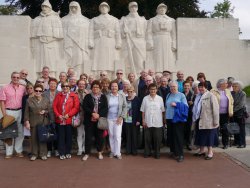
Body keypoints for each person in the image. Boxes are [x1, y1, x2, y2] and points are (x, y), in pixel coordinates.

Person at [31, 0, 63, 77]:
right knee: (40, 61)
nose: (44, 8)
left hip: (52, 43)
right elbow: (33, 35)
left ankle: (52, 77)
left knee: (52, 61)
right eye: (43, 6)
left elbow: (59, 35)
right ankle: (39, 77)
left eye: (46, 6)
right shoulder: (37, 19)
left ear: (49, 8)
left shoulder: (55, 18)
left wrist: (51, 39)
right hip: (40, 43)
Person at [89, 2, 121, 74]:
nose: (104, 8)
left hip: (110, 41)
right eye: (102, 7)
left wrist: (118, 42)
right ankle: (98, 74)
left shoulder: (114, 19)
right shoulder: (94, 20)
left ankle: (111, 74)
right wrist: (90, 42)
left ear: (108, 8)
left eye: (105, 7)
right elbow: (90, 32)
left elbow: (117, 32)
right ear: (100, 9)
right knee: (99, 59)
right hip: (99, 41)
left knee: (110, 59)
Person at [0, 72, 26, 159]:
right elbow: (2, 102)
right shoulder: (5, 88)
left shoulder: (23, 88)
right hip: (9, 111)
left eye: (17, 77)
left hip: (20, 111)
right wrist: (4, 114)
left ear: (19, 78)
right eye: (14, 77)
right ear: (11, 78)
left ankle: (18, 150)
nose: (16, 79)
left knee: (20, 132)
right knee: (8, 132)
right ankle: (9, 152)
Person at [82, 80, 108, 161]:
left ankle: (99, 152)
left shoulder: (103, 97)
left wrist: (98, 115)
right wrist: (92, 113)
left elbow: (105, 108)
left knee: (100, 137)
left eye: (97, 87)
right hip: (89, 120)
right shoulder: (87, 96)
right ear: (91, 88)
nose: (95, 88)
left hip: (99, 120)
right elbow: (85, 107)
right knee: (88, 137)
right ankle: (87, 153)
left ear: (100, 88)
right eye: (94, 87)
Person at [53, 82, 80, 160]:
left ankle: (68, 152)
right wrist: (59, 115)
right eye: (63, 86)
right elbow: (54, 106)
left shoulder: (73, 95)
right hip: (60, 120)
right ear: (61, 87)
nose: (65, 87)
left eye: (67, 86)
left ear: (70, 87)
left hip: (69, 119)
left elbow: (76, 107)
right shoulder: (58, 95)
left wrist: (69, 115)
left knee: (68, 137)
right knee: (61, 137)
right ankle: (61, 152)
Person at [193, 82, 219, 160]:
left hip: (208, 120)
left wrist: (216, 121)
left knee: (209, 137)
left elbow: (216, 109)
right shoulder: (197, 96)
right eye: (199, 87)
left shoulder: (211, 96)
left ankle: (210, 152)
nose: (200, 88)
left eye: (202, 87)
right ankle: (201, 151)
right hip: (199, 119)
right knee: (201, 136)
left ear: (206, 87)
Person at [62, 1, 90, 76]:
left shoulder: (85, 20)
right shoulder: (64, 20)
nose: (73, 9)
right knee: (69, 60)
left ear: (79, 8)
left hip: (80, 45)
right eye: (71, 7)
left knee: (79, 60)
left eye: (75, 7)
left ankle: (79, 77)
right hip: (69, 44)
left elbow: (87, 34)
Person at [147, 3, 176, 72]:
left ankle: (168, 71)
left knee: (168, 56)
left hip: (167, 38)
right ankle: (157, 71)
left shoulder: (171, 20)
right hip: (157, 38)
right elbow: (149, 32)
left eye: (164, 8)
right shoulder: (152, 20)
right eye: (160, 8)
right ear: (157, 10)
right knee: (157, 55)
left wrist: (174, 43)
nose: (162, 9)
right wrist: (150, 42)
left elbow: (173, 33)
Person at [120, 1, 147, 76]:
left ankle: (140, 76)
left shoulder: (142, 19)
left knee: (139, 60)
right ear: (129, 8)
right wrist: (124, 32)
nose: (134, 8)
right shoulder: (124, 19)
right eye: (132, 7)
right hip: (128, 40)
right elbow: (119, 30)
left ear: (137, 8)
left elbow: (147, 32)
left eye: (135, 6)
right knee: (126, 60)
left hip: (139, 40)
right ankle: (126, 76)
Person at [24, 84, 50, 161]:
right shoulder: (29, 100)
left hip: (43, 122)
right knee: (34, 139)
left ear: (42, 92)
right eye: (36, 90)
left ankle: (43, 154)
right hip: (33, 121)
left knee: (42, 138)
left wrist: (45, 111)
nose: (38, 92)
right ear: (34, 91)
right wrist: (27, 122)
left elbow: (49, 110)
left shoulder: (46, 100)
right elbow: (26, 112)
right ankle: (34, 154)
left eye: (40, 91)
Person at [141, 83, 165, 159]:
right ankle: (147, 152)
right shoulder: (145, 98)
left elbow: (162, 111)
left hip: (158, 122)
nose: (153, 91)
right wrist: (143, 120)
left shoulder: (160, 99)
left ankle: (157, 153)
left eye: (154, 89)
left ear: (156, 90)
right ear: (149, 90)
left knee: (157, 139)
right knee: (147, 138)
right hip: (148, 121)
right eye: (151, 89)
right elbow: (143, 111)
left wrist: (163, 121)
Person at [165, 81, 188, 162]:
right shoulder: (168, 95)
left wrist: (177, 105)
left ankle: (180, 154)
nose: (172, 88)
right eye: (171, 87)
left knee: (178, 136)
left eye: (174, 86)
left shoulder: (181, 95)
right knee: (171, 135)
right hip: (169, 118)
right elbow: (166, 107)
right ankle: (174, 152)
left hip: (178, 119)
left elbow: (186, 106)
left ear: (177, 87)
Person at [106, 81, 127, 159]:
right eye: (112, 86)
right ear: (110, 87)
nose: (114, 88)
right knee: (111, 135)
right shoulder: (107, 96)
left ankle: (118, 153)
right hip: (109, 118)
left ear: (118, 88)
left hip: (118, 118)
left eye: (115, 86)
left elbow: (125, 107)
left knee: (117, 136)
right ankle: (112, 151)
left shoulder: (122, 95)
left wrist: (121, 117)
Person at [211, 79, 234, 149]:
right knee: (215, 128)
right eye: (226, 83)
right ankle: (215, 143)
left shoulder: (227, 91)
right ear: (221, 84)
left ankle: (225, 143)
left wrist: (231, 111)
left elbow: (231, 101)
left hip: (225, 113)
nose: (227, 84)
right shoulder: (213, 91)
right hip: (216, 113)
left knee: (225, 129)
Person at [43, 78, 59, 157]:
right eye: (51, 83)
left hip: (57, 116)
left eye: (54, 83)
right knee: (48, 133)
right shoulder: (44, 93)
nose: (52, 85)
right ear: (48, 84)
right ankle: (49, 150)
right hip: (47, 115)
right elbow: (42, 104)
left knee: (56, 132)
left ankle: (56, 149)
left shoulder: (59, 93)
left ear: (56, 85)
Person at [124, 86, 140, 155]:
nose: (130, 93)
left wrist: (139, 120)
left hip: (134, 120)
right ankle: (128, 150)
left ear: (134, 92)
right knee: (127, 135)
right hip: (126, 120)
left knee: (134, 136)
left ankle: (134, 150)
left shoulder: (137, 99)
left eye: (131, 91)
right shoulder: (124, 99)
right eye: (128, 91)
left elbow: (140, 110)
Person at [75, 79, 89, 156]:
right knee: (79, 133)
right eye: (80, 84)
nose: (81, 85)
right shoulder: (74, 93)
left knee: (85, 133)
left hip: (86, 115)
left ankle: (84, 148)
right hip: (78, 115)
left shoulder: (88, 93)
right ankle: (80, 149)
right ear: (78, 84)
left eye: (83, 84)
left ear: (85, 85)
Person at [231, 81, 247, 148]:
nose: (234, 87)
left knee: (241, 129)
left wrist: (232, 110)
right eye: (233, 86)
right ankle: (236, 141)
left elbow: (241, 104)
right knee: (235, 128)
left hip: (240, 113)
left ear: (239, 87)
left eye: (235, 86)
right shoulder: (232, 93)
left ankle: (242, 143)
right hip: (233, 113)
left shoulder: (242, 93)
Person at [183, 81, 193, 151]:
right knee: (182, 129)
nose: (186, 87)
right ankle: (182, 143)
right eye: (185, 86)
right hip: (182, 114)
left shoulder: (193, 94)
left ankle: (188, 144)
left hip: (190, 114)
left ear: (190, 86)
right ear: (183, 86)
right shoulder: (181, 94)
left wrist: (193, 103)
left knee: (189, 130)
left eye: (188, 86)